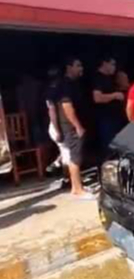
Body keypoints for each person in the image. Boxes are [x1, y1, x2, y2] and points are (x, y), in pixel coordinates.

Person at [58, 57, 94, 200]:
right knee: (75, 156)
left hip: (75, 125)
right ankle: (77, 189)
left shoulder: (74, 84)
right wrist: (77, 126)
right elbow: (67, 107)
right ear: (69, 67)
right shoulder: (66, 85)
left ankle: (78, 185)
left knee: (77, 155)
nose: (81, 68)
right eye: (78, 66)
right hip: (71, 126)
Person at [92, 57, 126, 155]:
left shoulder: (109, 78)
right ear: (104, 63)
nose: (114, 67)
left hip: (114, 118)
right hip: (106, 120)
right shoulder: (98, 78)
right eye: (112, 64)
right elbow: (97, 98)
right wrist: (115, 95)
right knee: (109, 148)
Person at [45, 65, 70, 181]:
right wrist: (57, 130)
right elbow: (52, 111)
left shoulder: (51, 90)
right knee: (67, 154)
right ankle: (67, 180)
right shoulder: (53, 92)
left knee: (66, 151)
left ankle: (55, 164)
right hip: (57, 125)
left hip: (57, 125)